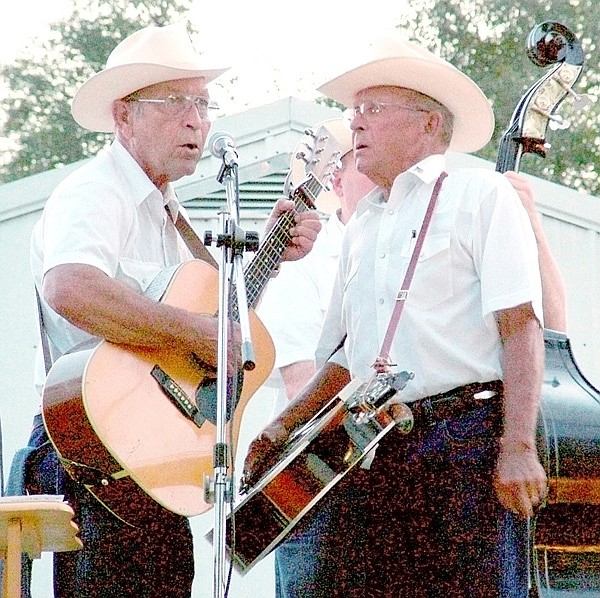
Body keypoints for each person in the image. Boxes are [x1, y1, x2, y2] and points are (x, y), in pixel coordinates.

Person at [13, 23, 321, 597]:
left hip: (147, 460)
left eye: (203, 104)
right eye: (175, 103)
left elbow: (213, 327)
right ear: (124, 118)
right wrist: (195, 331)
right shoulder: (96, 191)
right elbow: (71, 287)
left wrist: (273, 255)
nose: (196, 121)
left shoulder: (168, 213)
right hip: (90, 455)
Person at [243, 34, 548, 598]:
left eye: (372, 110)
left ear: (429, 124)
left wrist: (518, 446)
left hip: (463, 442)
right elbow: (341, 358)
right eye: (352, 112)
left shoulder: (480, 193)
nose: (355, 125)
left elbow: (521, 325)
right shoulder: (362, 224)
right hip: (372, 446)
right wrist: (280, 427)